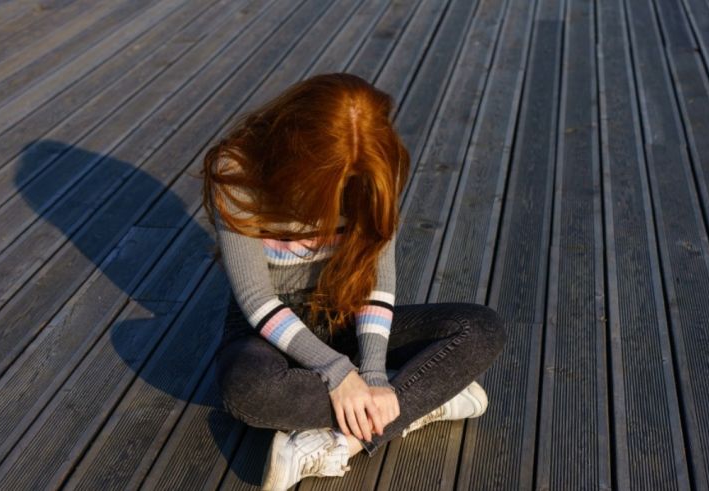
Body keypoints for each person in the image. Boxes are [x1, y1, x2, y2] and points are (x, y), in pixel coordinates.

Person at [200, 72, 507, 490]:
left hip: (344, 310)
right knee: (245, 388)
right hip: (268, 326)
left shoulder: (374, 169)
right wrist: (338, 374)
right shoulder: (236, 169)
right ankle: (422, 402)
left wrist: (376, 376)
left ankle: (337, 443)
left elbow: (378, 285)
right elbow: (256, 299)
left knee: (481, 329)